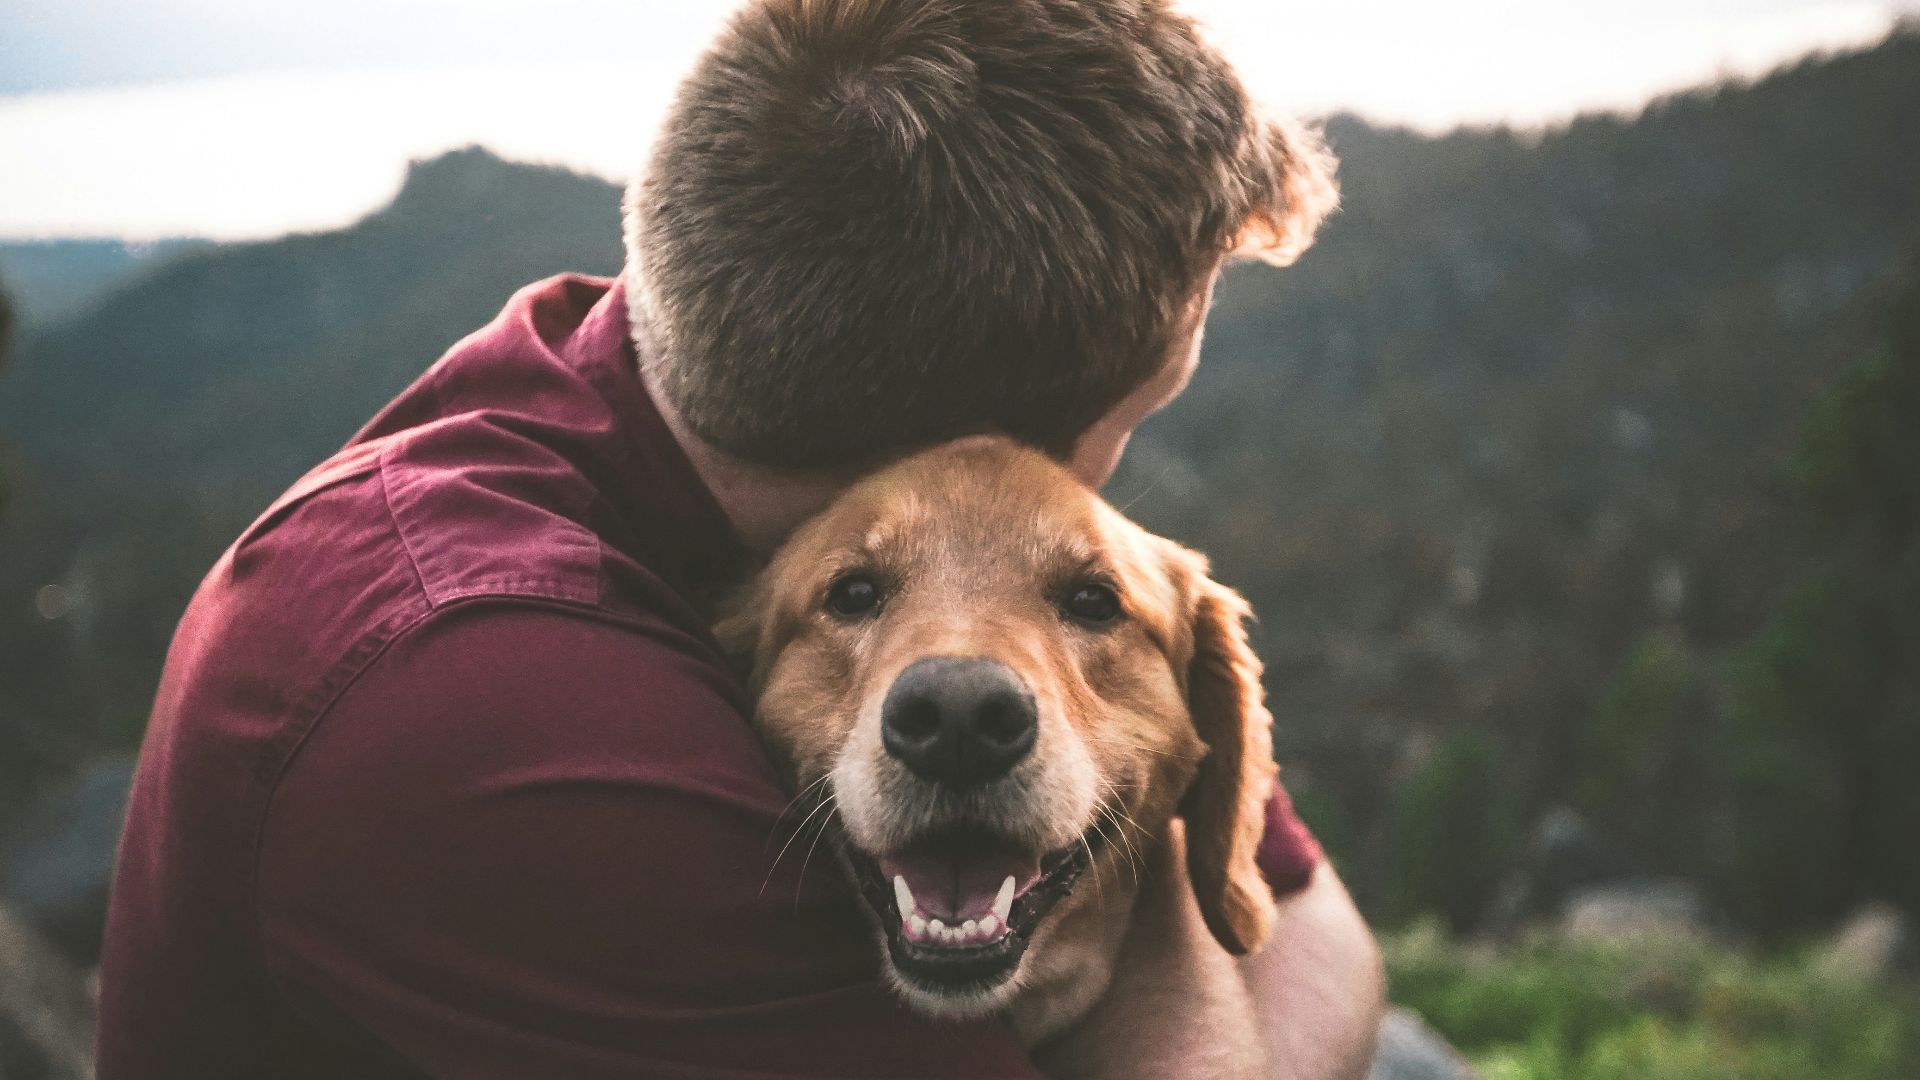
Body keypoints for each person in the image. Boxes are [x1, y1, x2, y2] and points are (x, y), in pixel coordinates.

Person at [96, 0, 1382, 1075]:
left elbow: (1320, 930)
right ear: (972, 447)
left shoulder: (666, 381)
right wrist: (1146, 878)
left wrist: (1141, 824)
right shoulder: (489, 708)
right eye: (1141, 411)